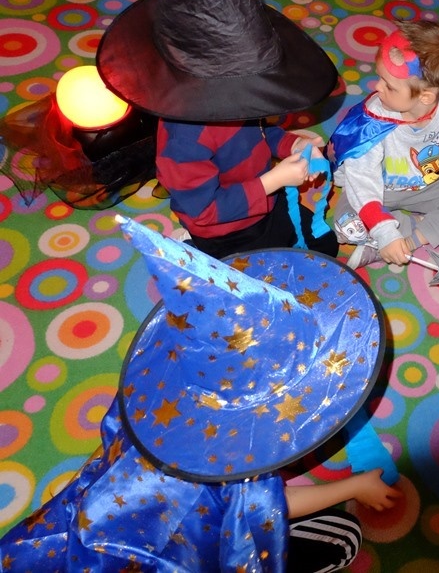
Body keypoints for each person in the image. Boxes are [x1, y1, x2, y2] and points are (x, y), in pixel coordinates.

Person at [0, 216, 401, 571]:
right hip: (176, 557)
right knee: (343, 538)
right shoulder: (237, 458)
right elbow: (269, 507)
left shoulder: (141, 407)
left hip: (77, 534)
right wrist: (354, 487)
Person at [95, 0, 340, 260]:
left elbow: (256, 136)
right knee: (266, 275)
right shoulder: (183, 142)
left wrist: (289, 145)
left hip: (262, 199)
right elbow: (206, 210)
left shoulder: (239, 100)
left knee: (324, 247)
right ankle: (195, 248)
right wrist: (273, 180)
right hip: (224, 228)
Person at [329, 19, 439, 269]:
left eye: (389, 86)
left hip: (429, 186)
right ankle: (424, 232)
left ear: (425, 97)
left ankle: (409, 239)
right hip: (379, 188)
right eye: (380, 77)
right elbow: (362, 178)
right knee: (346, 223)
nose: (376, 87)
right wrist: (383, 231)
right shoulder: (373, 117)